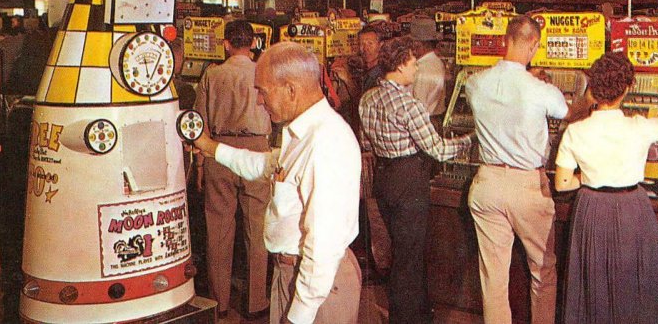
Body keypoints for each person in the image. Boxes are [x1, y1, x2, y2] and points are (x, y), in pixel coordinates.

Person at [195, 42, 362, 324]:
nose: (259, 101)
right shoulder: (301, 135)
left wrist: (298, 316)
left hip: (315, 287)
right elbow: (264, 165)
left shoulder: (325, 142)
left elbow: (323, 244)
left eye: (262, 91)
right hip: (293, 275)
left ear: (291, 89)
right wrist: (211, 148)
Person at [465, 15, 593, 324]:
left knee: (493, 278)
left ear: (505, 41)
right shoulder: (541, 91)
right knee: (542, 270)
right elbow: (571, 115)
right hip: (527, 186)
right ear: (534, 45)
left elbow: (505, 95)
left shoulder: (473, 83)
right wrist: (588, 93)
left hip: (486, 183)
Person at [554, 52, 658, 324]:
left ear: (593, 90)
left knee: (593, 283)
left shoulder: (575, 131)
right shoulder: (639, 127)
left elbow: (562, 184)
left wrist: (587, 178)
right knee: (635, 282)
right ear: (627, 89)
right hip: (633, 207)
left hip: (591, 208)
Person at [359, 36, 472, 324]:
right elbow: (438, 150)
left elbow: (366, 143)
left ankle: (420, 313)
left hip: (384, 179)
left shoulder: (367, 99)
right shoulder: (410, 106)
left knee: (404, 248)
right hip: (409, 178)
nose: (416, 70)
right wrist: (470, 139)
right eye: (412, 64)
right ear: (398, 65)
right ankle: (405, 318)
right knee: (409, 257)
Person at [194, 20, 271, 320]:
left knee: (218, 230)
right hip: (257, 151)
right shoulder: (263, 72)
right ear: (252, 43)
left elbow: (199, 123)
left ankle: (220, 303)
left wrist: (201, 163)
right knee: (257, 229)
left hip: (218, 150)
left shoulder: (212, 75)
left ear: (226, 44)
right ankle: (256, 303)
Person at [410, 17, 447, 123]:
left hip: (425, 122)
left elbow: (418, 107)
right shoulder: (436, 62)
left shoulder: (422, 69)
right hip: (434, 119)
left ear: (418, 44)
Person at [359, 24, 384, 93]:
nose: (365, 48)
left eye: (370, 43)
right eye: (362, 44)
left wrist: (348, 80)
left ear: (380, 45)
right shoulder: (366, 71)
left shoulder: (380, 75)